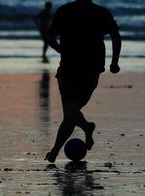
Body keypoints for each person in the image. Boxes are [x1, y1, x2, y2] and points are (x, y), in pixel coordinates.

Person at [45, 0, 121, 163]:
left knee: (71, 113)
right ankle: (54, 152)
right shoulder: (101, 12)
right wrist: (114, 62)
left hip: (72, 67)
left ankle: (85, 128)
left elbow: (50, 37)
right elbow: (115, 37)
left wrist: (62, 51)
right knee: (71, 113)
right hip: (90, 69)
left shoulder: (65, 10)